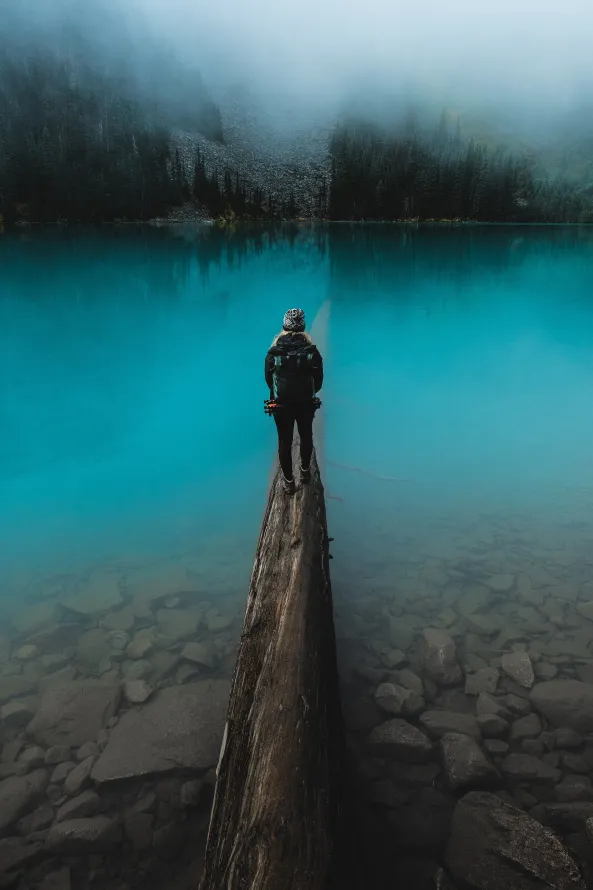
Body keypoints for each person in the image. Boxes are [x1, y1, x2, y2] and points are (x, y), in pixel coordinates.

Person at [265, 308, 324, 494]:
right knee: (306, 436)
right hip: (306, 403)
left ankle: (289, 482)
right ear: (303, 326)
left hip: (281, 405)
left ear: (284, 325)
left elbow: (268, 380)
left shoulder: (273, 353)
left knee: (284, 440)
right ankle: (305, 473)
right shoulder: (312, 353)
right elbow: (319, 382)